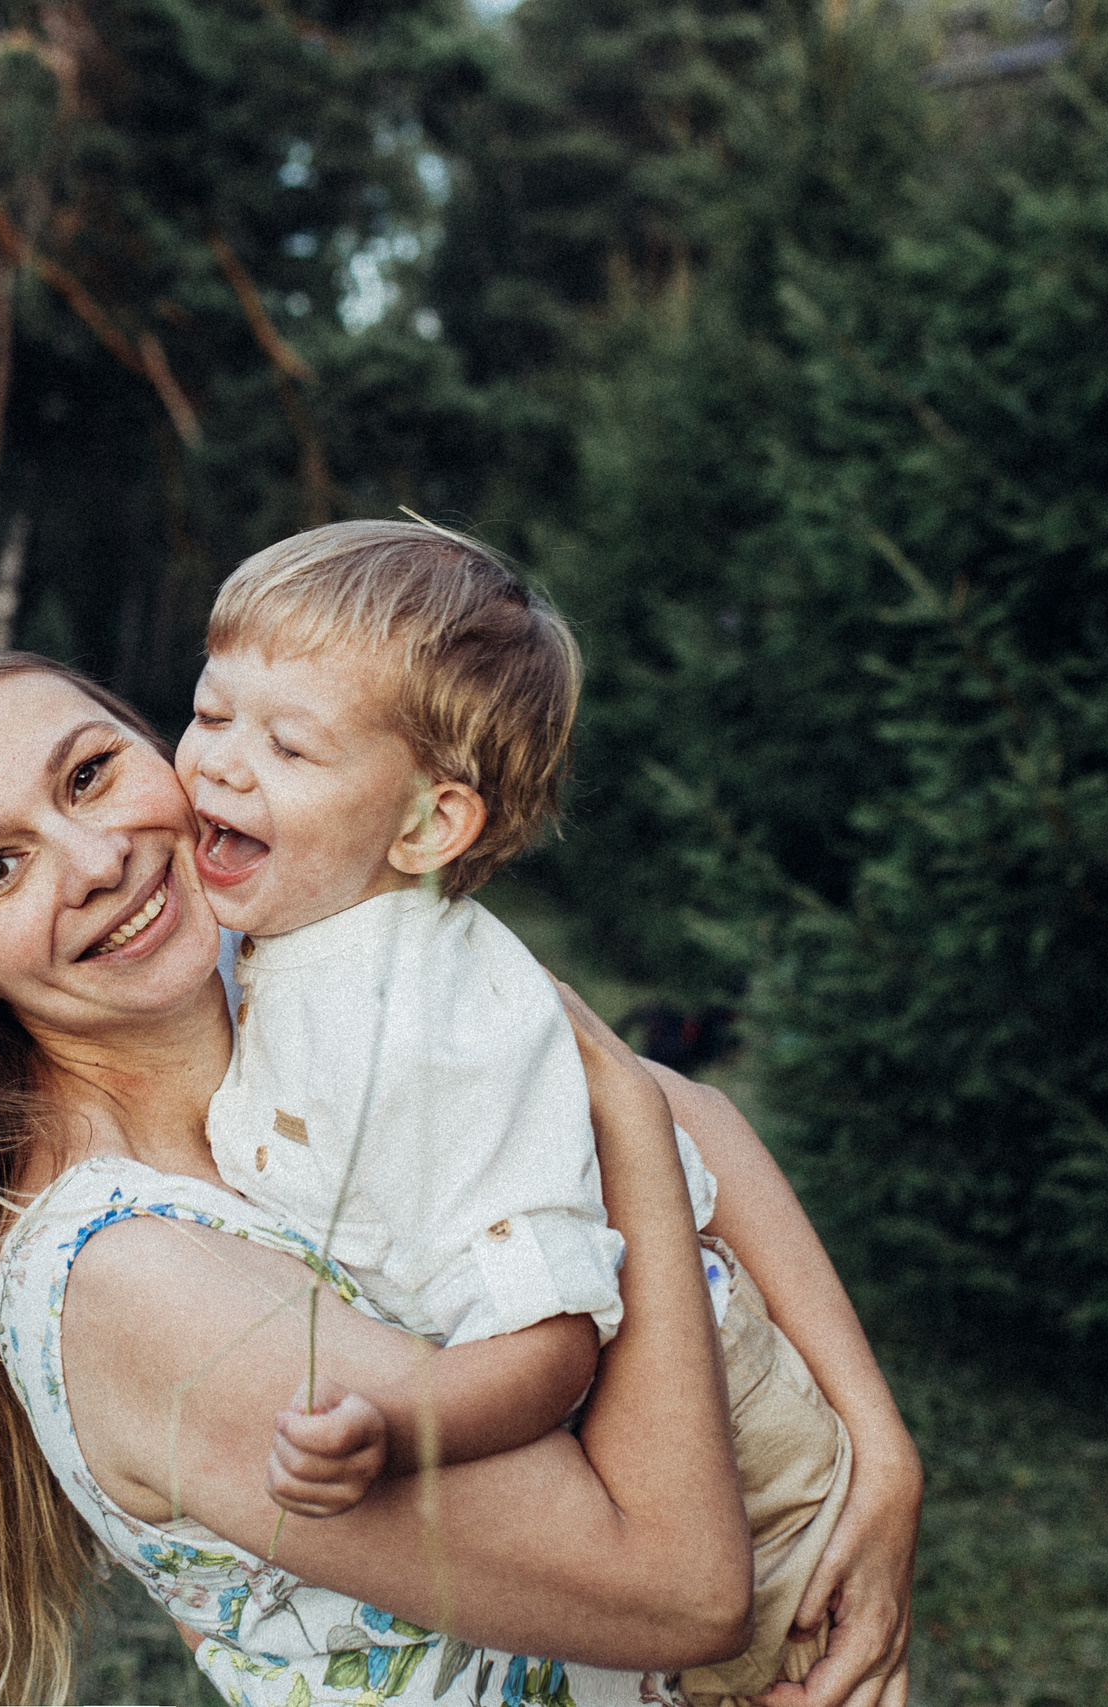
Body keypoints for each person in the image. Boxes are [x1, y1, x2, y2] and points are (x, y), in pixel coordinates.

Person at [0, 650, 921, 1707]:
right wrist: (620, 1116)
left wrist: (881, 1461)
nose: (97, 860)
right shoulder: (125, 1275)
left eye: (90, 774)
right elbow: (680, 1590)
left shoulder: (305, 967)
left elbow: (701, 1125)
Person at [178, 519, 849, 1705]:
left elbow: (552, 1345)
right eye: (210, 710)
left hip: (727, 1443)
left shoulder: (432, 1035)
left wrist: (396, 1426)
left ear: (428, 827)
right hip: (630, 1415)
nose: (217, 765)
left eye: (287, 744)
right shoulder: (302, 931)